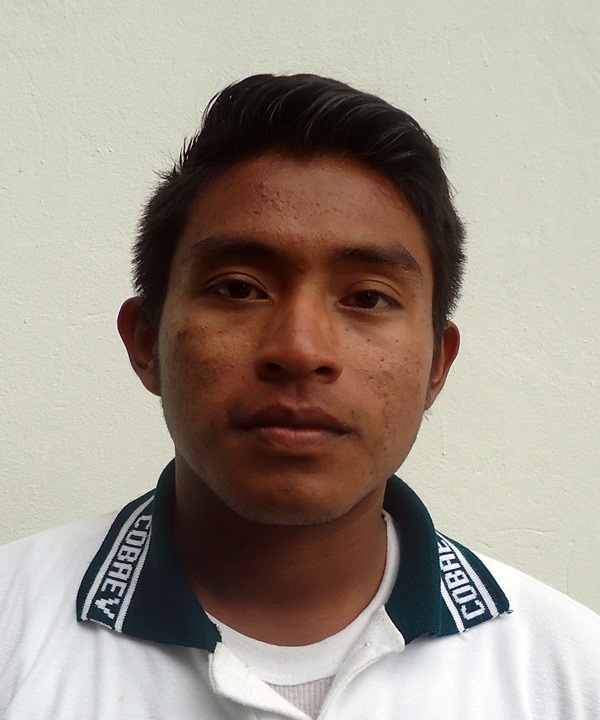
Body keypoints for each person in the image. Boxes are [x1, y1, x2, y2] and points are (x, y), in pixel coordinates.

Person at [0, 74, 598, 719]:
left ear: (436, 365)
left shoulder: (569, 674)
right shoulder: (13, 631)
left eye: (367, 297)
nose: (300, 349)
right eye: (238, 288)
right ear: (146, 342)